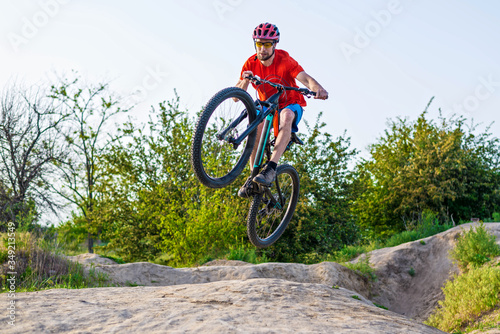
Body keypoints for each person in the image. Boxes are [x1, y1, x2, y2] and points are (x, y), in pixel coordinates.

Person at [236, 22, 329, 198]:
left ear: (275, 44)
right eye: (259, 43)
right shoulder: (251, 62)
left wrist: (319, 88)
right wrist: (245, 80)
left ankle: (271, 168)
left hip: (290, 104)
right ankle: (253, 177)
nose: (262, 48)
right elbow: (235, 95)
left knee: (286, 115)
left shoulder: (285, 61)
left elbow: (306, 79)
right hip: (267, 108)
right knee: (256, 127)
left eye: (267, 44)